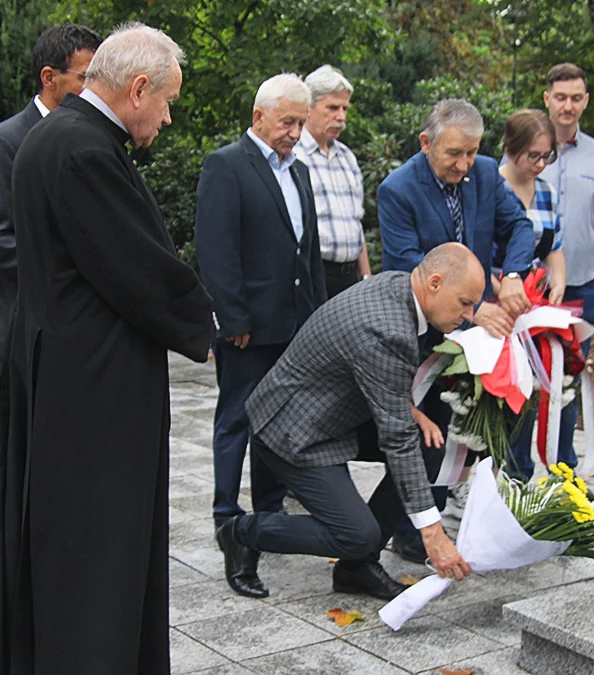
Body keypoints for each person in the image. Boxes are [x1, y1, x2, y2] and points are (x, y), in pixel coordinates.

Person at [0, 23, 214, 675]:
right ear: (138, 87)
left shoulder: (52, 137)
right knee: (97, 546)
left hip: (62, 368)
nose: (169, 117)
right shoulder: (86, 149)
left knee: (65, 541)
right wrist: (208, 324)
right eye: (168, 100)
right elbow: (134, 266)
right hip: (95, 386)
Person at [216, 243, 478, 600]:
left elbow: (378, 378)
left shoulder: (400, 285)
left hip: (334, 411)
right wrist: (432, 532)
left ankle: (356, 569)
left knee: (429, 443)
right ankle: (242, 531)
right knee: (357, 533)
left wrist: (411, 411)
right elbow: (395, 437)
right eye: (465, 302)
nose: (469, 313)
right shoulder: (387, 327)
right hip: (294, 430)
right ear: (434, 283)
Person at [378, 98, 536, 563]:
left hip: (481, 331)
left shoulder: (486, 174)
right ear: (426, 143)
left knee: (473, 426)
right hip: (426, 331)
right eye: (454, 154)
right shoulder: (397, 190)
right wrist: (475, 310)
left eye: (471, 153)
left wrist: (512, 275)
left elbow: (518, 226)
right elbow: (409, 264)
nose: (464, 164)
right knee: (425, 433)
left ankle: (468, 514)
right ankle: (408, 530)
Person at [195, 73, 327, 565]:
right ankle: (226, 514)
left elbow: (306, 253)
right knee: (236, 418)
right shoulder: (227, 165)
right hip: (247, 326)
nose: (294, 131)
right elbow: (216, 249)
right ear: (259, 116)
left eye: (300, 122)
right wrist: (232, 318)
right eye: (287, 121)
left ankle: (269, 512)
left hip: (293, 327)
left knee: (279, 424)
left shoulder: (300, 172)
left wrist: (314, 321)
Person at [0, 23, 102, 377]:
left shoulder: (89, 141)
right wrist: (71, 261)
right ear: (49, 77)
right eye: (85, 78)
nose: (94, 91)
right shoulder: (4, 143)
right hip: (22, 327)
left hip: (74, 327)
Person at [539, 63, 594, 479]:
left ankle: (563, 470)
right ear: (547, 100)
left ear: (586, 101)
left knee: (572, 377)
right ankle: (519, 469)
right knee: (531, 375)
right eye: (561, 97)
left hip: (584, 287)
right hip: (535, 287)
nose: (568, 106)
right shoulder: (526, 148)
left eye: (576, 98)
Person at [495, 109, 567, 482]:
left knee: (538, 386)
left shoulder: (547, 192)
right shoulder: (491, 184)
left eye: (546, 156)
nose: (540, 164)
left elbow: (553, 246)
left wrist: (559, 279)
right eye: (533, 156)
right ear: (511, 149)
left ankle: (525, 472)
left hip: (536, 302)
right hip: (498, 300)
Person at [296, 65, 371, 296]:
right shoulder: (293, 157)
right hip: (314, 273)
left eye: (345, 109)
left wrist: (366, 277)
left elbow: (355, 223)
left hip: (350, 278)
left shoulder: (346, 157)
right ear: (308, 108)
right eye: (332, 108)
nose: (341, 117)